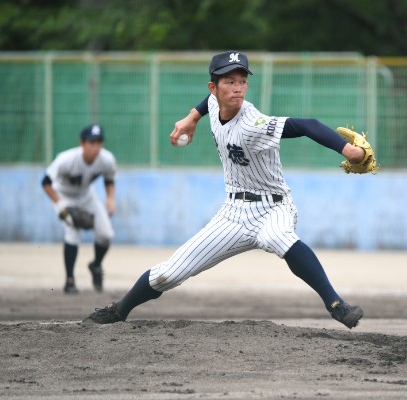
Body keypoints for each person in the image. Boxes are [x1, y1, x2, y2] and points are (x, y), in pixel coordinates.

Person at [85, 50, 365, 329]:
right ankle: (119, 310)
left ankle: (337, 305)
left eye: (242, 81)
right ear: (214, 87)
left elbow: (307, 126)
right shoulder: (215, 103)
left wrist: (348, 149)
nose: (237, 88)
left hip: (274, 207)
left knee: (279, 237)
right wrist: (191, 117)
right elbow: (207, 104)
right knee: (167, 275)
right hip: (233, 213)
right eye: (229, 81)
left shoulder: (253, 124)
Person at [42, 124, 116, 294]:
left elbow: (109, 179)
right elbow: (45, 183)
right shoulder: (66, 159)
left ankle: (96, 265)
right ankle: (70, 280)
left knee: (106, 235)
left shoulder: (106, 159)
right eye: (92, 142)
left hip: (86, 196)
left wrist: (110, 199)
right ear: (82, 143)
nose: (96, 146)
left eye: (99, 142)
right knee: (72, 230)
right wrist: (60, 205)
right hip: (64, 196)